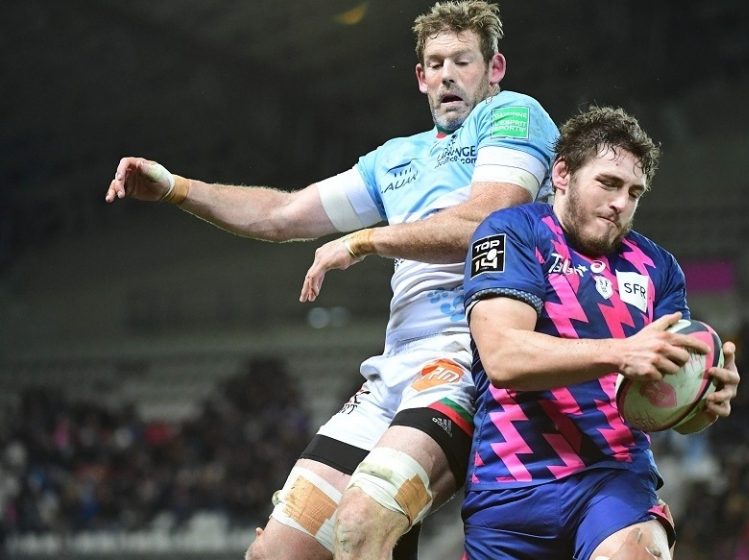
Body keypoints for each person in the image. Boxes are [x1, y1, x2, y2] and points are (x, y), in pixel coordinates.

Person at [104, 2, 559, 559]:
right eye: (435, 63)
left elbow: (484, 224)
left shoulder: (513, 114)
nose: (447, 75)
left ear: (494, 68)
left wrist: (365, 240)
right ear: (420, 77)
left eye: (462, 61)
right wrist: (176, 187)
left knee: (364, 521)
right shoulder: (394, 160)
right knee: (275, 552)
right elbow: (283, 214)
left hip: (469, 359)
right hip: (394, 371)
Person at [461, 106, 741, 559]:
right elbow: (502, 357)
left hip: (614, 475)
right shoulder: (512, 232)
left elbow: (665, 397)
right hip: (509, 485)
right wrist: (621, 353)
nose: (620, 204)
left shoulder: (660, 268)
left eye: (634, 192)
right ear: (563, 173)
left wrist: (703, 404)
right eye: (608, 183)